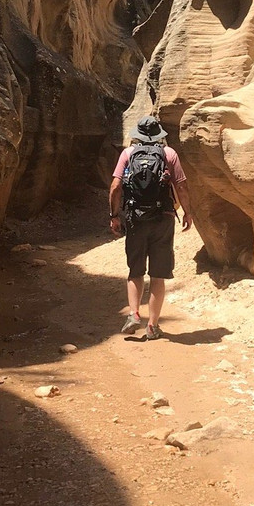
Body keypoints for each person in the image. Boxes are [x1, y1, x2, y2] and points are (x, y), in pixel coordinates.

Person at [108, 115, 195, 340]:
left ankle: (134, 314)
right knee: (158, 275)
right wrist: (188, 211)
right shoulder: (169, 154)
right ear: (159, 135)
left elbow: (116, 186)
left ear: (137, 135)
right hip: (162, 218)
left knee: (135, 271)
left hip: (135, 218)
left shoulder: (127, 154)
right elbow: (182, 186)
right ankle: (152, 326)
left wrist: (115, 215)